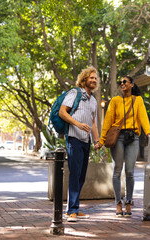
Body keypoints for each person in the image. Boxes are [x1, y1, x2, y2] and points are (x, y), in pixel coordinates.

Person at [95, 76, 150, 217]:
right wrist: (102, 140)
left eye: (124, 82)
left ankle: (128, 202)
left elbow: (143, 116)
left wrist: (148, 131)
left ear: (131, 85)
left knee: (130, 171)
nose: (122, 84)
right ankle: (118, 203)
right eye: (120, 82)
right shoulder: (115, 101)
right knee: (117, 170)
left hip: (133, 137)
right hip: (118, 137)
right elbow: (108, 121)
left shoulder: (137, 100)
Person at [59, 66, 100, 222]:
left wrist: (96, 140)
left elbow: (93, 122)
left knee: (81, 175)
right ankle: (71, 211)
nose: (94, 80)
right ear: (84, 79)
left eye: (95, 78)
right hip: (74, 138)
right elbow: (62, 112)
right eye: (91, 77)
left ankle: (74, 208)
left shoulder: (94, 100)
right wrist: (77, 124)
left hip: (86, 141)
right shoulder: (74, 93)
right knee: (75, 174)